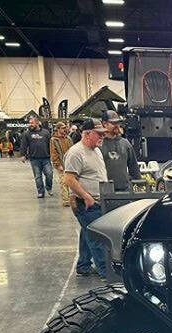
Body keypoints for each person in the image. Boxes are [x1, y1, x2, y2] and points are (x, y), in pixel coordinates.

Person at [63, 118, 108, 278]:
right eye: (99, 134)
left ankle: (83, 265)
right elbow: (69, 179)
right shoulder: (76, 153)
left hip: (96, 200)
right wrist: (86, 196)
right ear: (87, 134)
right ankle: (105, 271)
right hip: (85, 203)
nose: (102, 137)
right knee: (96, 236)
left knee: (87, 232)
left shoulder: (96, 150)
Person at [100, 110, 140, 191]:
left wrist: (139, 184)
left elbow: (134, 168)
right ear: (104, 124)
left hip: (124, 190)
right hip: (105, 191)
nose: (116, 125)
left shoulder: (125, 144)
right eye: (113, 123)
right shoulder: (99, 144)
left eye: (117, 123)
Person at [20, 116, 53, 198]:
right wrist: (23, 155)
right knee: (38, 177)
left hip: (46, 158)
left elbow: (51, 145)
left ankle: (48, 188)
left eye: (32, 123)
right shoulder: (27, 134)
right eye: (29, 123)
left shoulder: (46, 132)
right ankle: (40, 192)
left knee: (49, 174)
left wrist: (53, 155)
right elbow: (24, 145)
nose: (30, 124)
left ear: (37, 123)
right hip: (34, 159)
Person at [49, 122, 73, 207]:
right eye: (63, 128)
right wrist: (57, 164)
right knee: (63, 182)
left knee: (72, 181)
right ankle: (66, 200)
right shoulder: (54, 140)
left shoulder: (68, 138)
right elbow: (53, 153)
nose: (65, 129)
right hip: (61, 164)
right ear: (58, 129)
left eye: (65, 127)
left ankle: (71, 199)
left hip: (70, 163)